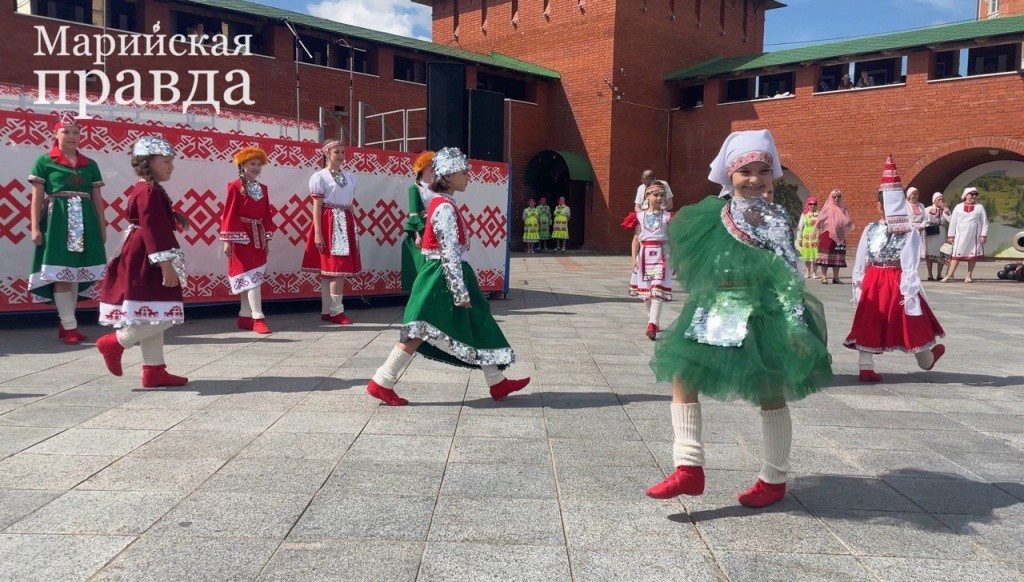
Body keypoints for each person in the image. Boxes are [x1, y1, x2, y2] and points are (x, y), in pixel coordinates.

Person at [645, 130, 832, 509]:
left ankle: (774, 477)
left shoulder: (776, 218)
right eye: (745, 170)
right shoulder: (711, 215)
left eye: (763, 170)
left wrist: (795, 323)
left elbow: (787, 271)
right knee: (684, 374)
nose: (755, 178)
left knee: (769, 393)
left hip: (763, 312)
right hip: (717, 306)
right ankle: (688, 467)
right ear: (729, 174)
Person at [365, 147, 530, 406]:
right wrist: (459, 290)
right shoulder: (444, 207)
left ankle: (496, 381)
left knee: (476, 321)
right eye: (464, 173)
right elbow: (448, 251)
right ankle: (382, 381)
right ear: (449, 176)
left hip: (446, 273)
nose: (468, 177)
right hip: (442, 276)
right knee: (419, 330)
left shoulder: (444, 204)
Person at [95, 136, 188, 388]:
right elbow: (151, 229)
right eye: (166, 161)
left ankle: (154, 370)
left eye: (172, 162)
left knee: (154, 314)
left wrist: (172, 215)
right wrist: (165, 265)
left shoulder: (148, 190)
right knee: (166, 312)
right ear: (149, 162)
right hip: (147, 258)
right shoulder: (147, 191)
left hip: (141, 254)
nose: (171, 166)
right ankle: (115, 342)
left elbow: (151, 221)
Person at [844, 156, 945, 382]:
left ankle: (865, 366)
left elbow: (862, 261)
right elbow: (911, 263)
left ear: (878, 205)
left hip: (874, 279)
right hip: (898, 279)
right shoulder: (909, 230)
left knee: (869, 318)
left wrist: (859, 287)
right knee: (910, 320)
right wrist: (911, 289)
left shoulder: (870, 229)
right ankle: (926, 359)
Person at [28, 110, 108, 345]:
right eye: (66, 132)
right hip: (57, 221)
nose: (72, 136)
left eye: (76, 132)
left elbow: (97, 198)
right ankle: (70, 326)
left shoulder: (89, 164)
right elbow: (37, 196)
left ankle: (67, 323)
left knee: (75, 273)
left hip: (86, 222)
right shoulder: (45, 161)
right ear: (56, 134)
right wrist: (35, 227)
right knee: (62, 272)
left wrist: (102, 226)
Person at [301, 140, 362, 324]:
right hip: (330, 221)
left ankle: (327, 310)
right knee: (336, 269)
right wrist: (318, 232)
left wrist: (353, 222)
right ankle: (336, 311)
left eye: (343, 152)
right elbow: (317, 207)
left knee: (332, 270)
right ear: (327, 154)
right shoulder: (320, 177)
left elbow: (349, 201)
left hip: (345, 220)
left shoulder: (350, 176)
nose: (341, 156)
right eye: (337, 152)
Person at [220, 146, 274, 334]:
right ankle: (258, 318)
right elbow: (229, 212)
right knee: (251, 278)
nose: (256, 167)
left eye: (259, 164)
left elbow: (266, 214)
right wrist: (228, 239)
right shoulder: (234, 186)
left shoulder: (264, 189)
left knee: (252, 277)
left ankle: (245, 316)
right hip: (241, 236)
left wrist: (267, 235)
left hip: (257, 235)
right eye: (252, 164)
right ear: (242, 165)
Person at [629, 183, 673, 341]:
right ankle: (652, 320)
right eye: (655, 195)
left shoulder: (668, 217)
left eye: (662, 195)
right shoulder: (639, 217)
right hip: (644, 256)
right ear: (647, 196)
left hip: (662, 255)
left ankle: (652, 324)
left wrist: (677, 260)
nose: (659, 198)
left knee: (656, 289)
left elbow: (674, 240)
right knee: (646, 292)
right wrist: (634, 259)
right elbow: (635, 240)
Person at [401, 150, 435, 293]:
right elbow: (413, 213)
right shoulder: (414, 188)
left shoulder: (437, 187)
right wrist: (417, 235)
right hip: (421, 229)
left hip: (435, 226)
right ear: (424, 167)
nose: (434, 167)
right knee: (421, 263)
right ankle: (419, 294)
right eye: (431, 164)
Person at [942, 187, 989, 283]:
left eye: (976, 194)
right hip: (960, 235)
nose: (974, 196)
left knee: (972, 255)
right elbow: (953, 222)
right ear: (966, 195)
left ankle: (968, 275)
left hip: (974, 235)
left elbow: (984, 222)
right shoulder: (958, 207)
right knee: (955, 255)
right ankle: (949, 275)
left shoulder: (979, 207)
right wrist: (951, 235)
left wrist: (983, 235)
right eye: (972, 194)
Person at [815, 188, 855, 284]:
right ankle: (824, 277)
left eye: (839, 196)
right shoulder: (827, 208)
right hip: (827, 235)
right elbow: (819, 221)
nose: (836, 198)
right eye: (834, 197)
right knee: (825, 256)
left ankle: (836, 278)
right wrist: (817, 233)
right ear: (831, 197)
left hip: (839, 236)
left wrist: (845, 221)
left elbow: (849, 222)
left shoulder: (843, 209)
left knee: (837, 256)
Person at [923, 192, 951, 281]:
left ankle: (939, 274)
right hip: (931, 230)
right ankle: (930, 274)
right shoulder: (927, 209)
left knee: (941, 252)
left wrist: (945, 209)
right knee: (930, 253)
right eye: (939, 199)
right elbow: (923, 219)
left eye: (942, 199)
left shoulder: (945, 210)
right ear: (934, 200)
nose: (941, 201)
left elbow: (950, 219)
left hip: (941, 231)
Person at [796, 197, 820, 278]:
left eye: (814, 204)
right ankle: (807, 271)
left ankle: (814, 272)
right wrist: (799, 238)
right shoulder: (804, 214)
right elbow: (800, 226)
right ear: (808, 205)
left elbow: (822, 226)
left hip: (816, 236)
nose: (812, 206)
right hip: (806, 236)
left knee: (815, 254)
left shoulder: (819, 214)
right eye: (810, 204)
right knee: (807, 255)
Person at [906, 187, 927, 260]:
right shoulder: (905, 205)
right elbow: (905, 218)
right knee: (910, 248)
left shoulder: (921, 205)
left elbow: (925, 217)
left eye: (917, 194)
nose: (916, 196)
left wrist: (922, 225)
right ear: (909, 195)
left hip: (920, 229)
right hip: (910, 229)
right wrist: (912, 227)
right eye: (914, 194)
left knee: (918, 249)